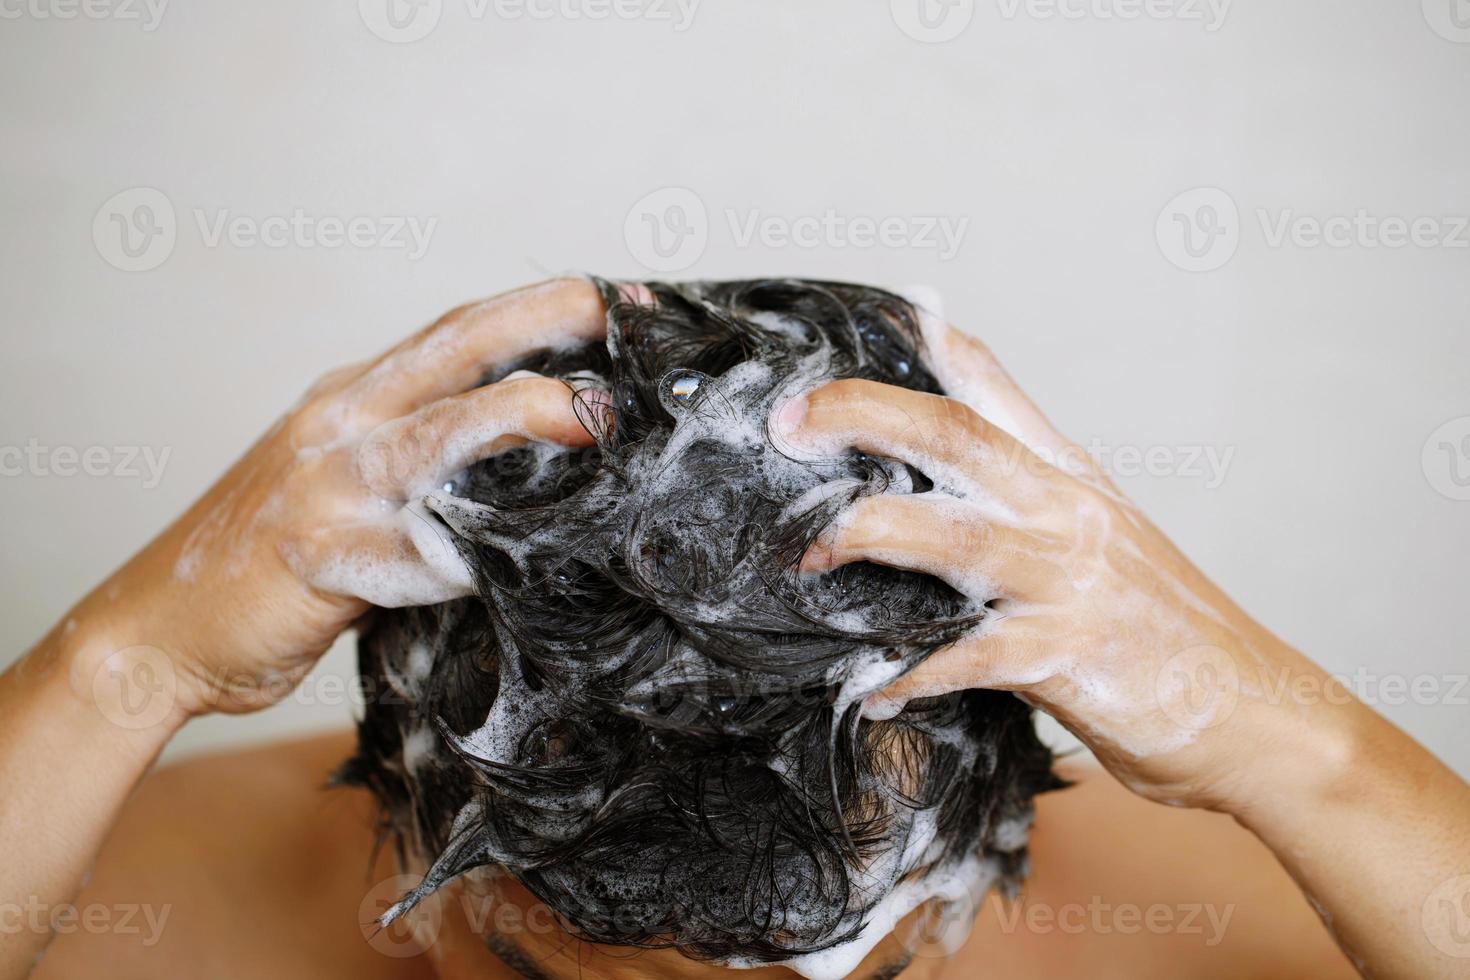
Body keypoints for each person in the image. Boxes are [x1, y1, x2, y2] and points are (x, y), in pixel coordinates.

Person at [1, 278, 1465, 980]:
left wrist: (1291, 740)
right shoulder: (167, 910)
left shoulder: (1198, 934)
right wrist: (123, 663)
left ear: (982, 832)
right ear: (413, 811)